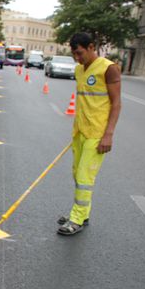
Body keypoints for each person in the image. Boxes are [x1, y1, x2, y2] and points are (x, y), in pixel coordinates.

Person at [57, 32, 122, 235]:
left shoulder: (108, 69)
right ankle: (83, 214)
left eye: (80, 53)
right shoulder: (79, 70)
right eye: (74, 54)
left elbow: (116, 103)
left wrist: (108, 134)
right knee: (77, 174)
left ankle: (76, 219)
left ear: (91, 47)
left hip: (97, 132)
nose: (77, 58)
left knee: (85, 177)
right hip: (80, 131)